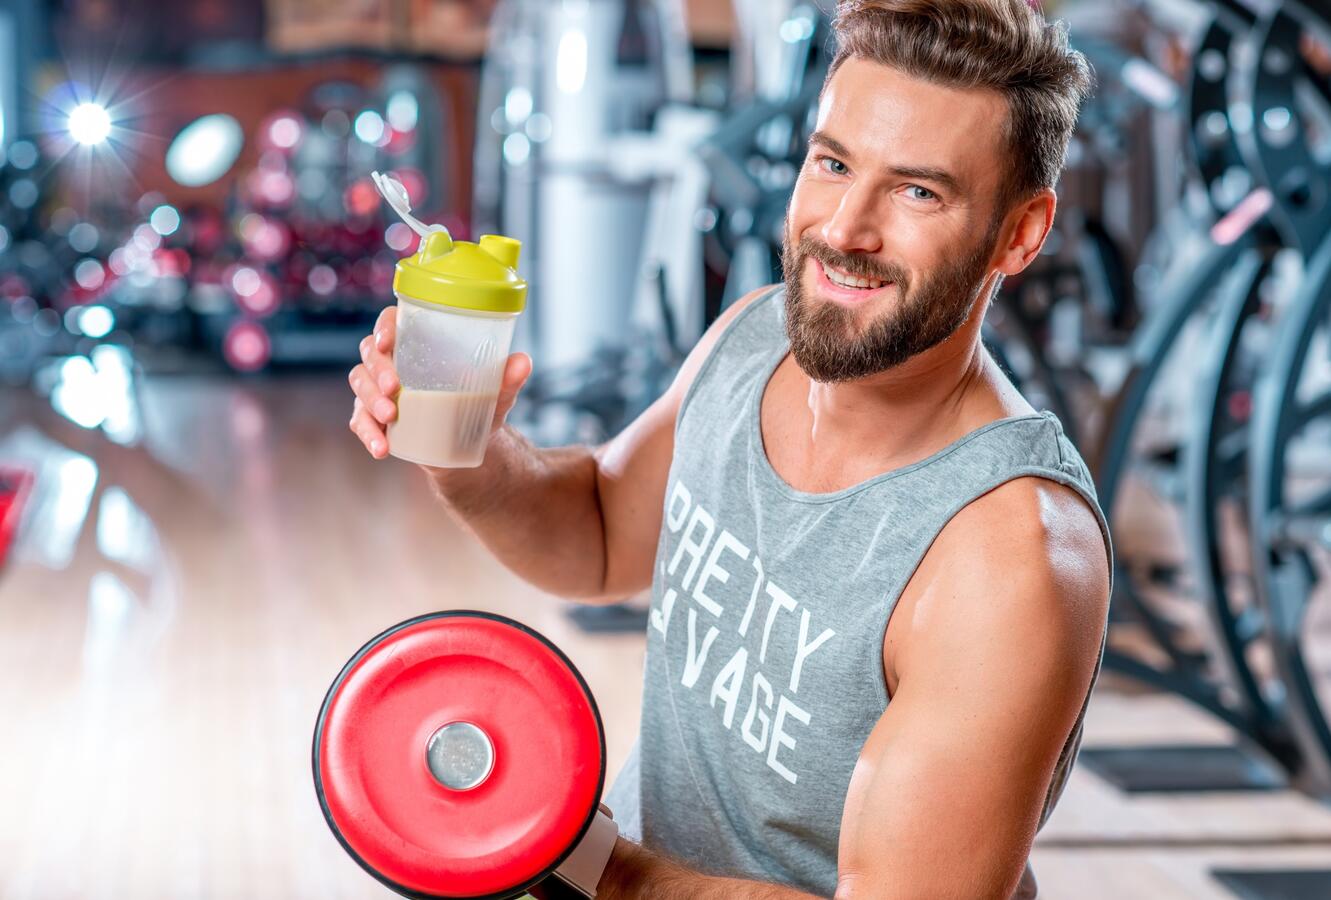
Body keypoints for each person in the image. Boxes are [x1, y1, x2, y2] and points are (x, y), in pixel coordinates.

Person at [347, 1, 1111, 896]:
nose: (844, 230)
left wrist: (575, 855)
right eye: (831, 164)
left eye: (917, 191)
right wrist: (465, 450)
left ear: (1018, 234)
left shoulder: (1007, 557)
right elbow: (599, 532)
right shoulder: (756, 338)